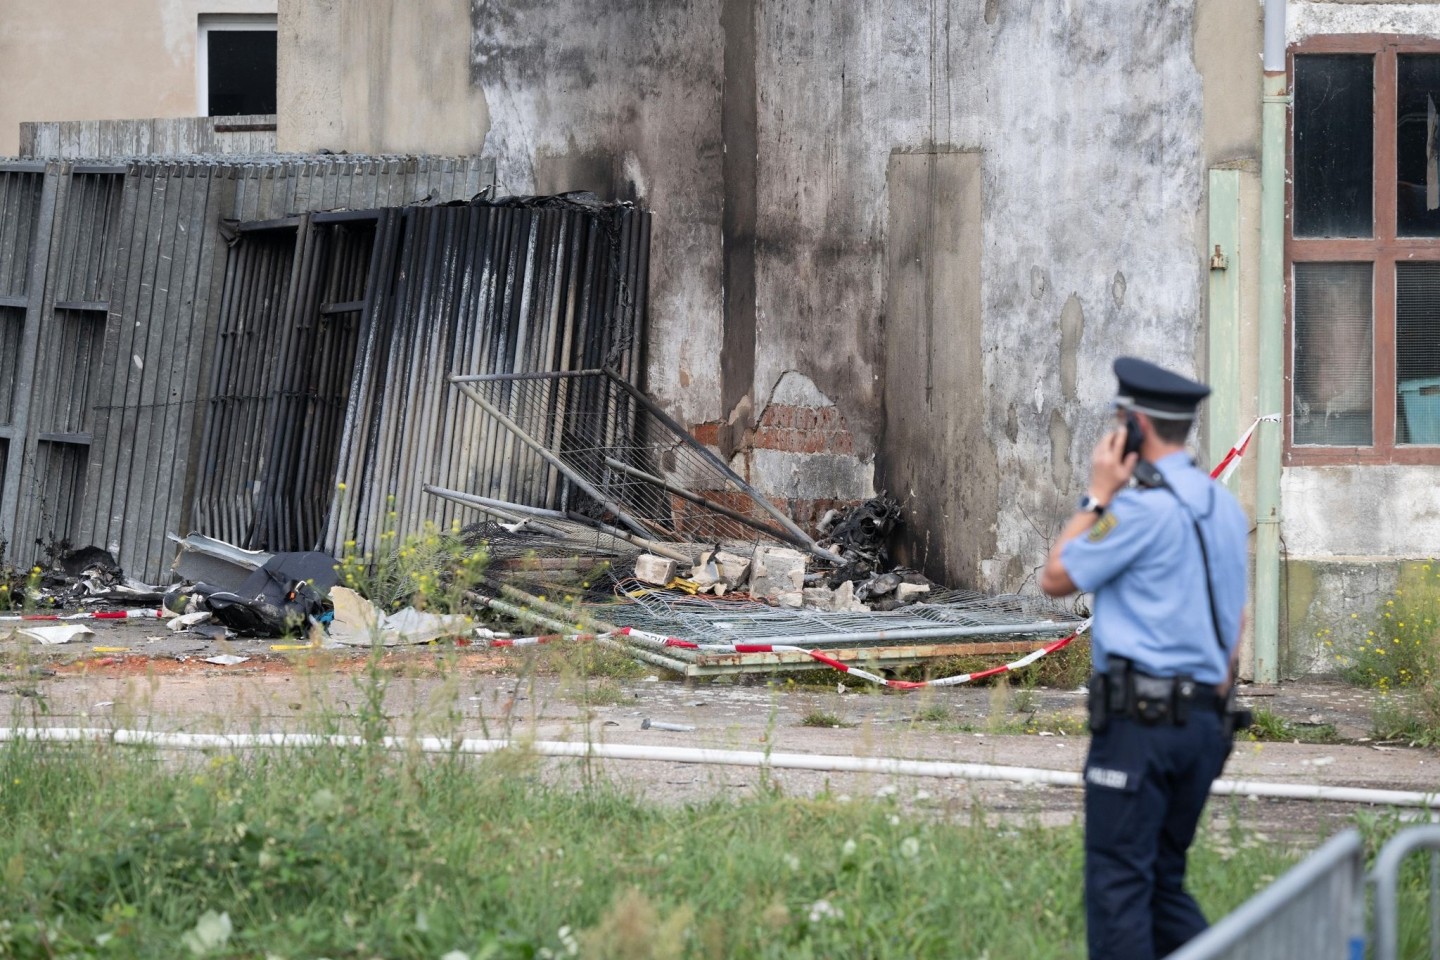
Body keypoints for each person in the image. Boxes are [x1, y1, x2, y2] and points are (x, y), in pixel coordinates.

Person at [1040, 356, 1249, 960]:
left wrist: (1097, 493)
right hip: (1207, 725)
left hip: (1140, 731)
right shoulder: (1224, 510)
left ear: (1133, 427)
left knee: (1120, 890)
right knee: (1161, 885)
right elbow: (1234, 626)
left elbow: (1057, 574)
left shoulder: (1133, 512)